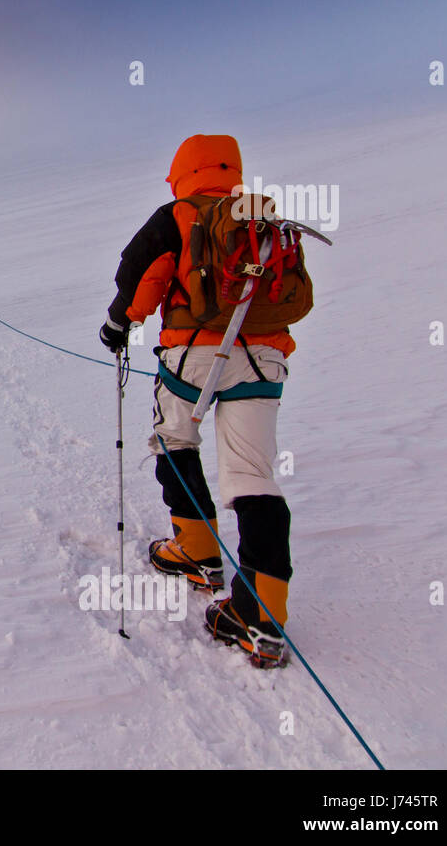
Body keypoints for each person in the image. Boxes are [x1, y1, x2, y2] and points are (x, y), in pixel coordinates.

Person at [99, 134, 300, 668]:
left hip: (194, 354)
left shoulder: (178, 216)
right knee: (254, 473)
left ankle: (196, 551)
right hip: (263, 356)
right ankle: (262, 616)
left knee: (173, 440)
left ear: (180, 172)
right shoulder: (258, 217)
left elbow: (139, 275)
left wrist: (119, 323)